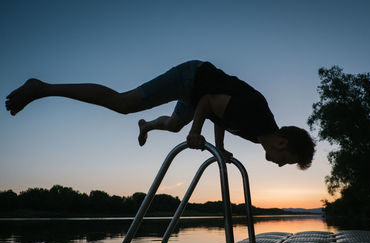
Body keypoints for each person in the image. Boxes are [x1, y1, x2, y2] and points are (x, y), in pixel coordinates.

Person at [5, 60, 315, 169]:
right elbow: (207, 102)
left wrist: (218, 147)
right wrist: (196, 133)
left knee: (173, 126)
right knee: (122, 103)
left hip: (199, 94)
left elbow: (220, 116)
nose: (279, 165)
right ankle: (42, 87)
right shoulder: (258, 117)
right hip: (191, 79)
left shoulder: (260, 134)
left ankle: (147, 126)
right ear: (283, 144)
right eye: (285, 162)